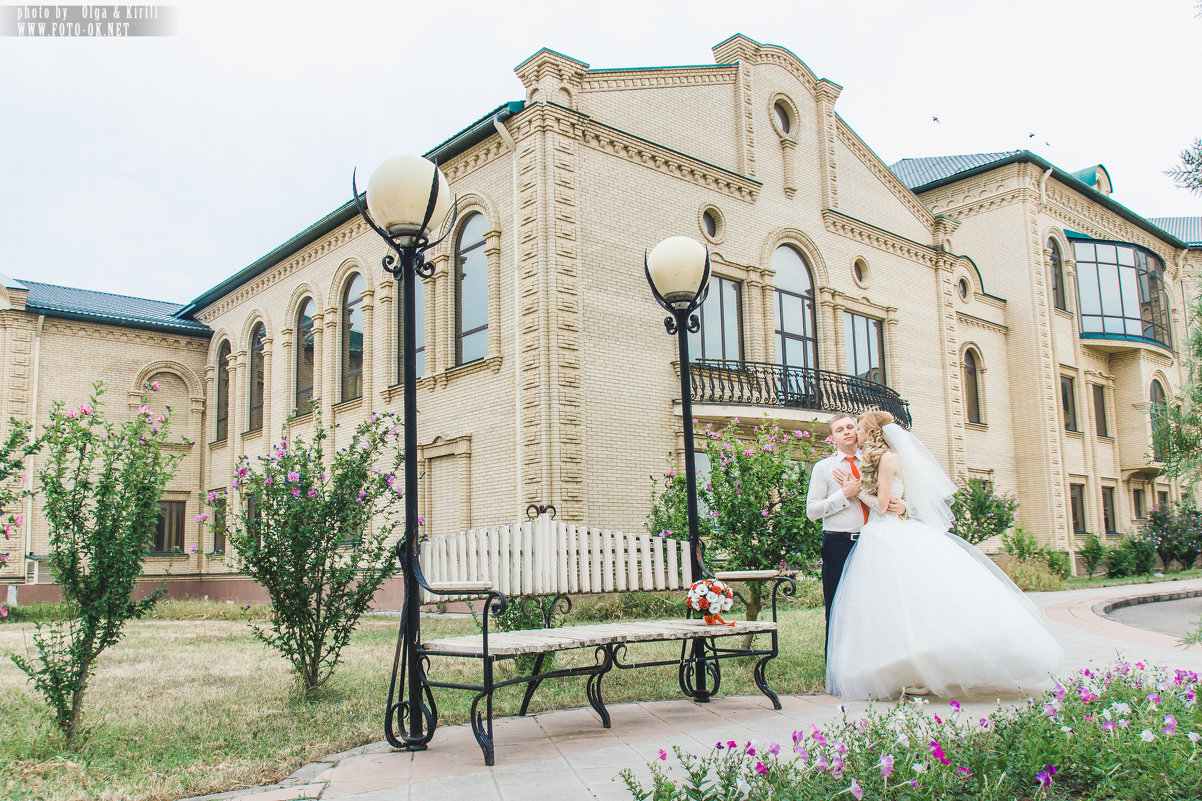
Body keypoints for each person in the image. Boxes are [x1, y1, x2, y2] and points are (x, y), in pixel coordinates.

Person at [825, 410, 1063, 700]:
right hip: (879, 534)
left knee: (909, 605)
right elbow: (899, 500)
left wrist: (856, 490)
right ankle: (905, 669)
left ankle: (923, 670)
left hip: (887, 534)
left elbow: (885, 503)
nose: (855, 432)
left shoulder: (887, 458)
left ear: (873, 432)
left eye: (859, 427)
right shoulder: (878, 458)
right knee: (892, 608)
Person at [805, 412, 905, 654]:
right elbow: (812, 511)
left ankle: (872, 660)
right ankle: (836, 667)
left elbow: (895, 494)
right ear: (832, 438)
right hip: (838, 543)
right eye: (840, 429)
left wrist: (903, 508)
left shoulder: (875, 460)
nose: (848, 432)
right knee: (837, 607)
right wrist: (843, 494)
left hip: (873, 543)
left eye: (851, 426)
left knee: (875, 606)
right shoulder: (824, 468)